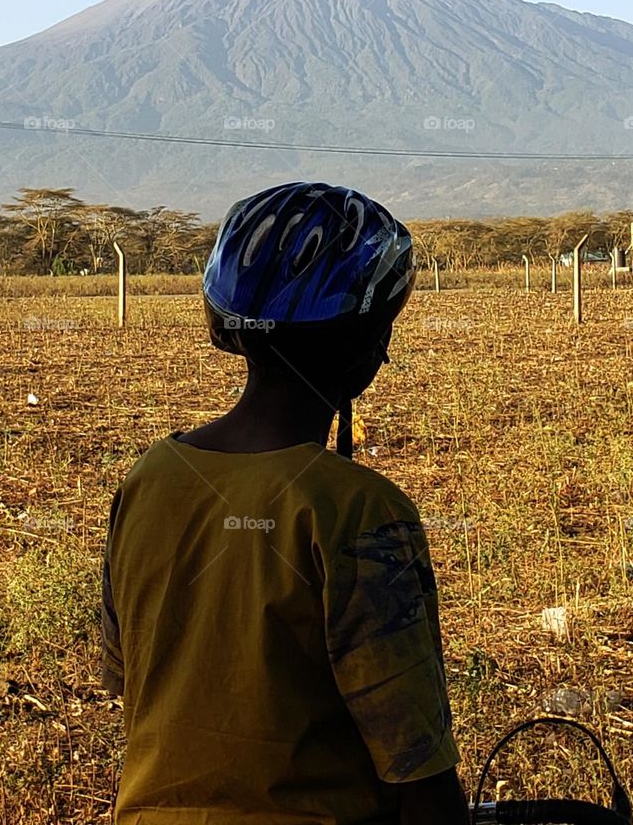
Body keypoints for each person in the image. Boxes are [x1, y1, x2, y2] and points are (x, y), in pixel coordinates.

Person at [101, 182, 469, 825]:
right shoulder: (359, 510)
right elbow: (415, 762)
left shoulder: (149, 479)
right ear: (364, 346)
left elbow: (122, 675)